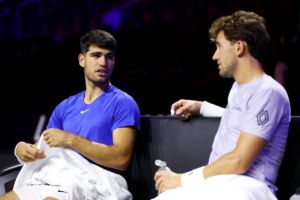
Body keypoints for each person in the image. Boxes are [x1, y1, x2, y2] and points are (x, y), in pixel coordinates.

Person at [153, 10, 290, 200]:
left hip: (248, 188)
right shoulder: (240, 87)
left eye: (219, 46)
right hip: (222, 184)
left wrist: (183, 180)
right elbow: (241, 119)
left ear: (239, 47)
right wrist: (202, 107)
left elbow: (239, 160)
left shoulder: (268, 92)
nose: (215, 56)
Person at [0, 29, 140, 200]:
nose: (103, 62)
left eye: (109, 57)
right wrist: (22, 149)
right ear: (82, 60)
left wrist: (71, 139)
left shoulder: (123, 103)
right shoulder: (65, 106)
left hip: (99, 182)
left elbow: (121, 159)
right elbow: (44, 146)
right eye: (96, 55)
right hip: (57, 176)